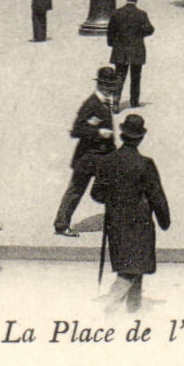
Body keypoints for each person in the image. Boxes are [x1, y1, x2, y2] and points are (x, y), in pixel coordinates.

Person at [85, 113, 171, 312]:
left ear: (123, 134)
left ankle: (131, 312)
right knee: (133, 270)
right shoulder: (145, 164)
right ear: (140, 137)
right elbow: (157, 196)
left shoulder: (107, 162)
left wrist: (114, 198)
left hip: (116, 224)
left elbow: (97, 194)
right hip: (140, 224)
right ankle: (114, 306)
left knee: (128, 267)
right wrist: (164, 221)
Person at [54, 65, 120, 237]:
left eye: (111, 86)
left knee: (113, 186)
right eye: (106, 86)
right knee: (76, 190)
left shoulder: (104, 103)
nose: (109, 90)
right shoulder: (91, 104)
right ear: (99, 85)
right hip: (87, 157)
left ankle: (114, 221)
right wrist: (98, 132)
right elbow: (76, 129)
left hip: (102, 157)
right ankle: (61, 225)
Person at [107, 0, 155, 109]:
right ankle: (134, 101)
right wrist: (140, 34)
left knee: (119, 76)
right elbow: (150, 29)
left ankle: (116, 102)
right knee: (135, 76)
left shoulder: (117, 13)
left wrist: (112, 43)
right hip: (136, 48)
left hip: (120, 49)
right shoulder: (141, 14)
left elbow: (110, 31)